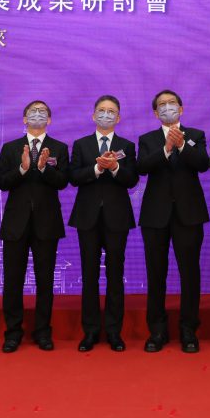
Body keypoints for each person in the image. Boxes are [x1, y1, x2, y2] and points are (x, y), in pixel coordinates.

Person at [137, 89, 210, 353]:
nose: (168, 108)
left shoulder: (196, 136)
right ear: (156, 113)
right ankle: (157, 331)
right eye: (162, 105)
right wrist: (166, 149)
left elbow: (203, 163)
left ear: (181, 108)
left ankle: (189, 330)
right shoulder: (147, 139)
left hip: (189, 215)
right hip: (155, 216)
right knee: (156, 274)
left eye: (172, 104)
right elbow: (142, 167)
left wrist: (180, 145)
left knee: (190, 274)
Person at [0, 100, 70, 352]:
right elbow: (2, 183)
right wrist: (22, 168)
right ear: (24, 118)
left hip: (46, 223)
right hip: (16, 223)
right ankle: (13, 332)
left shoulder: (59, 148)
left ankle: (42, 332)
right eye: (32, 112)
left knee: (45, 280)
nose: (37, 115)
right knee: (13, 280)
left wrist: (42, 169)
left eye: (42, 112)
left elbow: (62, 182)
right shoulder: (10, 148)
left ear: (49, 120)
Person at [68, 95, 139, 352]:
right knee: (89, 275)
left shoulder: (127, 146)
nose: (106, 115)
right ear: (93, 115)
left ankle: (113, 332)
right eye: (102, 111)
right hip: (87, 217)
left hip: (117, 217)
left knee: (114, 275)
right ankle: (90, 331)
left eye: (111, 112)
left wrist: (115, 168)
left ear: (118, 118)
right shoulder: (81, 144)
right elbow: (73, 177)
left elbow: (132, 179)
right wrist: (97, 169)